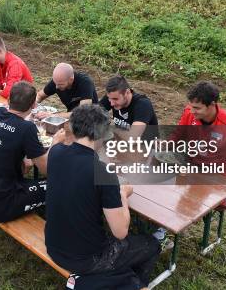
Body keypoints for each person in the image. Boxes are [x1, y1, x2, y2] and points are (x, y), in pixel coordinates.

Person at [45, 104, 160, 290]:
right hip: (87, 260)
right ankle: (131, 284)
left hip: (54, 246)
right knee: (151, 244)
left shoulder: (56, 152)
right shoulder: (103, 172)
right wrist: (122, 194)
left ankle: (117, 276)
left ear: (74, 127)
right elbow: (120, 232)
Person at [0, 81, 65, 223]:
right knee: (60, 184)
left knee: (24, 166)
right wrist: (55, 143)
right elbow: (47, 169)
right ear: (33, 106)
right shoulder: (27, 128)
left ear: (9, 100)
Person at [169, 81, 226, 181]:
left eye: (197, 108)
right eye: (191, 106)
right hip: (190, 167)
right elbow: (178, 134)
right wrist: (166, 145)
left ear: (212, 104)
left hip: (216, 175)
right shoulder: (189, 112)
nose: (192, 111)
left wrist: (222, 184)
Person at [99, 75, 159, 140]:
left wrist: (113, 128)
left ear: (127, 92)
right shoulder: (112, 97)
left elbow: (133, 139)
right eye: (109, 98)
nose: (112, 103)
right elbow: (91, 115)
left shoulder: (143, 104)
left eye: (115, 99)